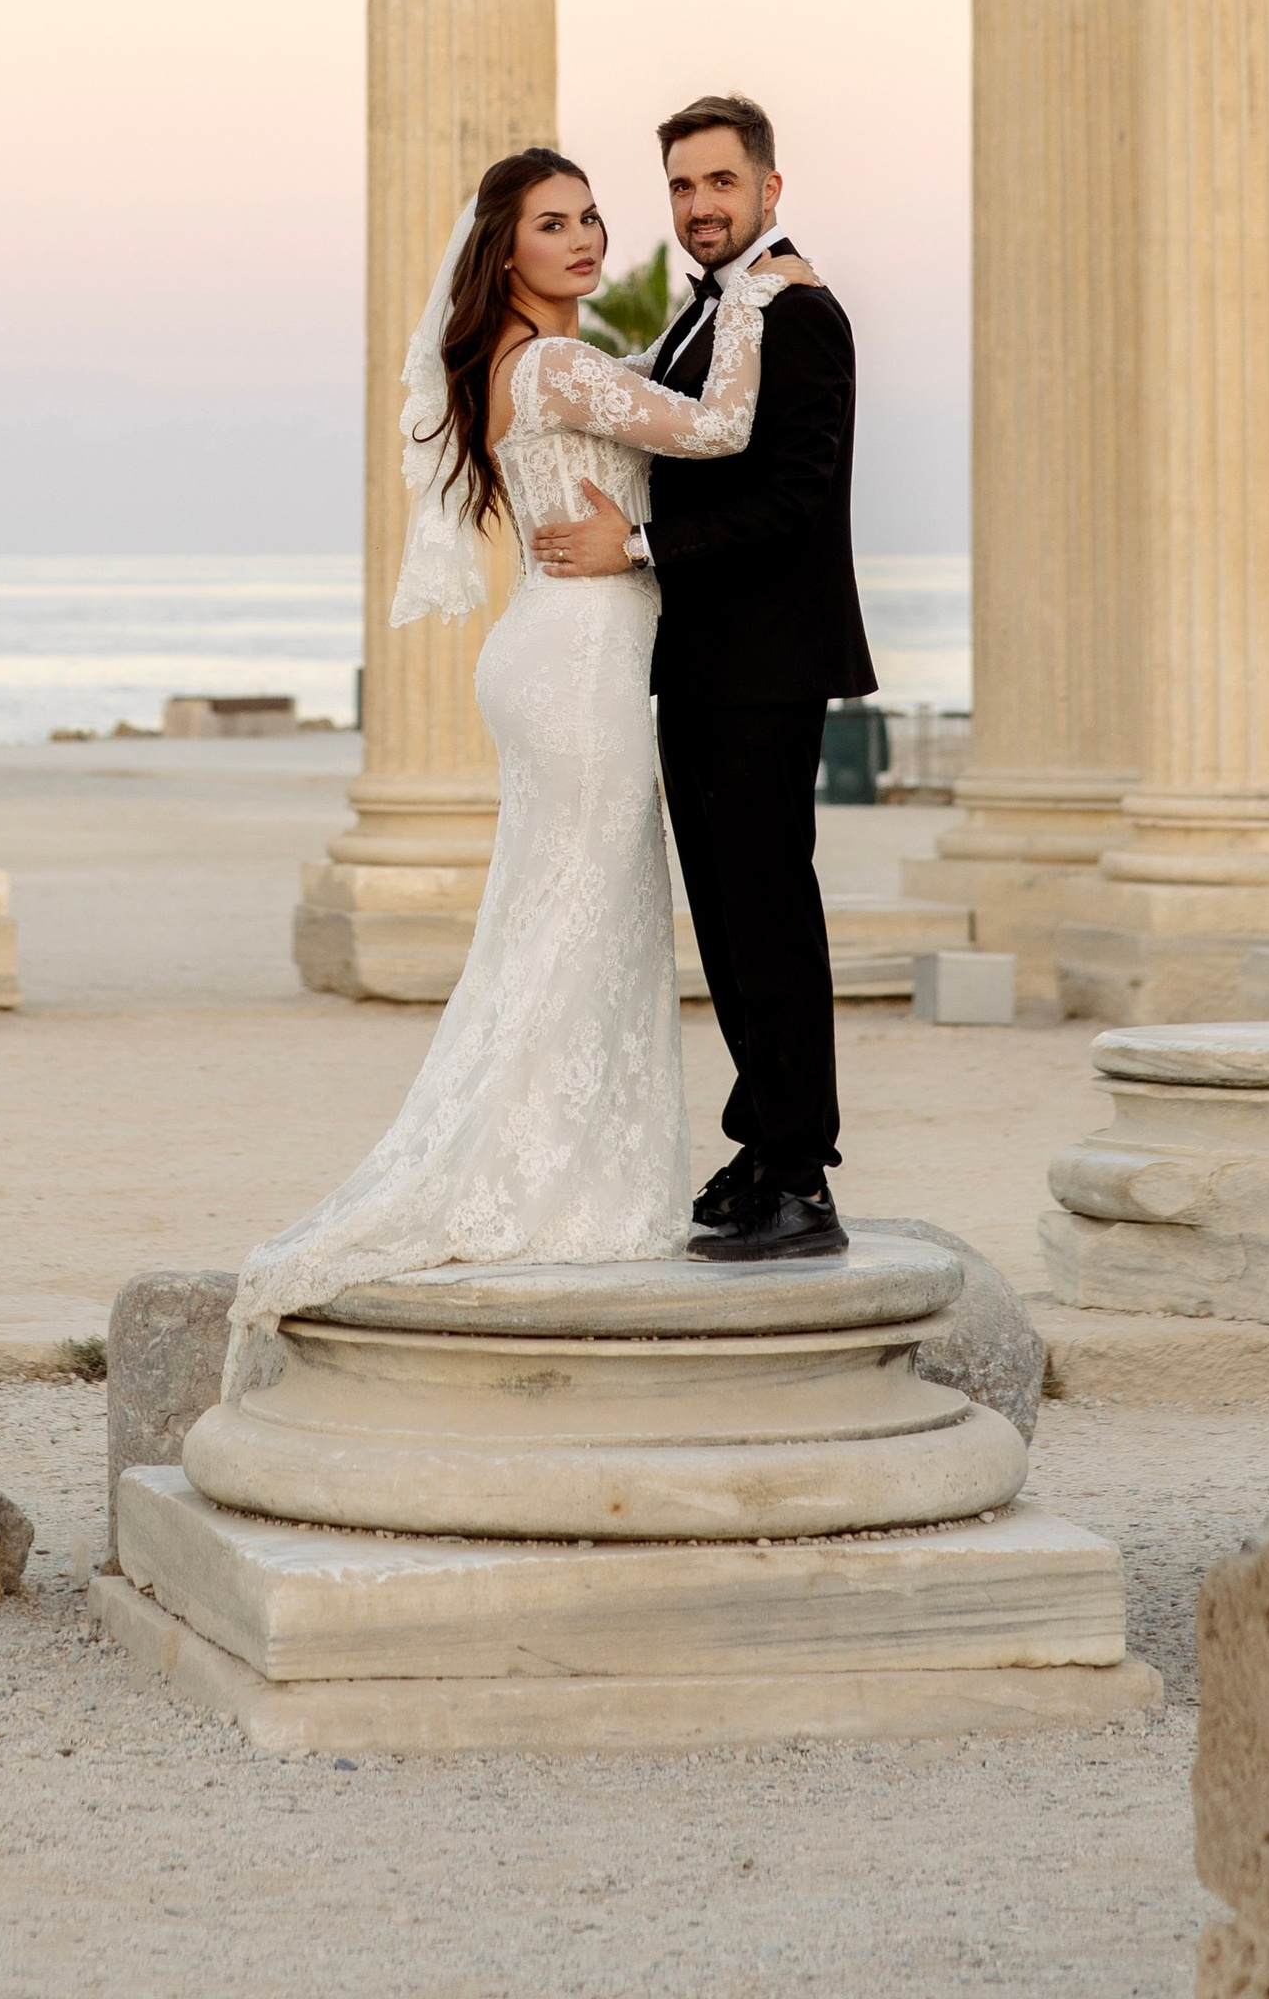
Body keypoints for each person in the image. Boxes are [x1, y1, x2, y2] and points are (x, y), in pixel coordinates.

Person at [221, 143, 811, 1394]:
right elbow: (719, 425)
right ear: (507, 254)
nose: (587, 239)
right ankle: (538, 1174)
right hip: (581, 662)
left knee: (568, 913)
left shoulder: (541, 364)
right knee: (586, 912)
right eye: (554, 224)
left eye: (593, 217)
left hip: (555, 651)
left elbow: (644, 395)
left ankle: (561, 1159)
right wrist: (754, 295)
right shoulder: (545, 363)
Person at [531, 92, 874, 1264]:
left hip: (767, 662)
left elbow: (791, 503)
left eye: (719, 184)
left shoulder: (801, 314)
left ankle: (802, 1175)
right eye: (681, 187)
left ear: (768, 190)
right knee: (726, 921)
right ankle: (760, 1141)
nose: (698, 206)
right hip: (703, 659)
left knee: (769, 913)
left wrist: (630, 549)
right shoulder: (708, 317)